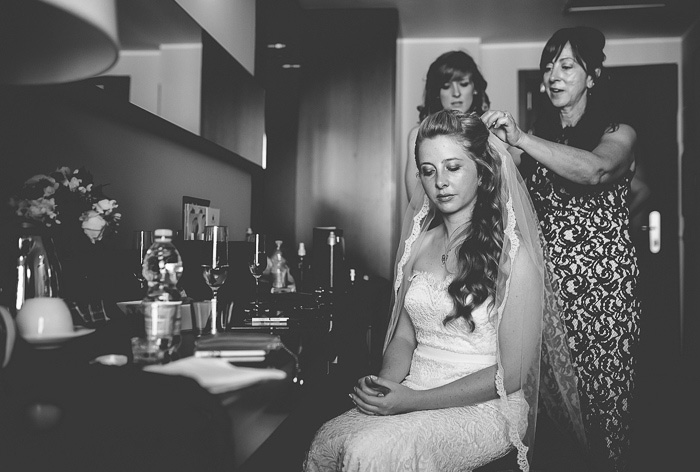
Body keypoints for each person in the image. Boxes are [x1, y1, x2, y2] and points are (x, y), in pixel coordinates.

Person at [304, 111, 585, 472]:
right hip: (413, 386)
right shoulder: (419, 245)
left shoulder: (515, 258)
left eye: (453, 167)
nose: (440, 182)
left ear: (481, 169)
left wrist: (414, 401)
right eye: (428, 170)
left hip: (485, 405)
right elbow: (405, 336)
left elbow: (512, 373)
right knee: (327, 440)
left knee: (370, 452)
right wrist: (385, 386)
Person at [481, 26, 640, 472]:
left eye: (566, 65)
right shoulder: (537, 142)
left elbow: (596, 170)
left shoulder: (619, 132)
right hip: (547, 296)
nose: (553, 75)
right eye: (548, 66)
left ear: (592, 76)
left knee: (602, 408)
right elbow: (499, 187)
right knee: (547, 408)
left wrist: (522, 139)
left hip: (602, 297)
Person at [404, 50, 490, 201]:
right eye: (446, 86)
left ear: (475, 88)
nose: (456, 93)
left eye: (463, 84)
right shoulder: (418, 136)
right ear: (437, 92)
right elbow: (415, 202)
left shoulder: (494, 133)